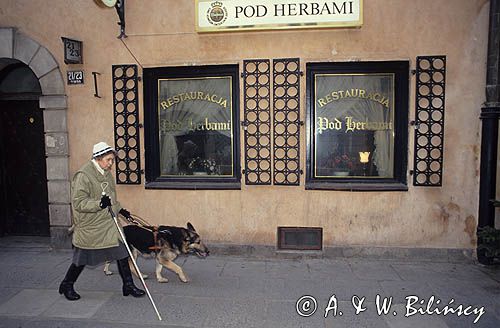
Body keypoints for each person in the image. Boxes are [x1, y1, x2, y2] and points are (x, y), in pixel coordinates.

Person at [58, 141, 145, 301]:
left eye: (112, 160)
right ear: (98, 158)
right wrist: (98, 203)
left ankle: (128, 285)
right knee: (81, 258)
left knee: (121, 251)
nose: (111, 164)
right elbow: (78, 202)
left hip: (108, 223)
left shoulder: (106, 173)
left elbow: (110, 199)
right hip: (91, 225)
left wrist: (120, 209)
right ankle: (67, 284)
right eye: (108, 160)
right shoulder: (83, 175)